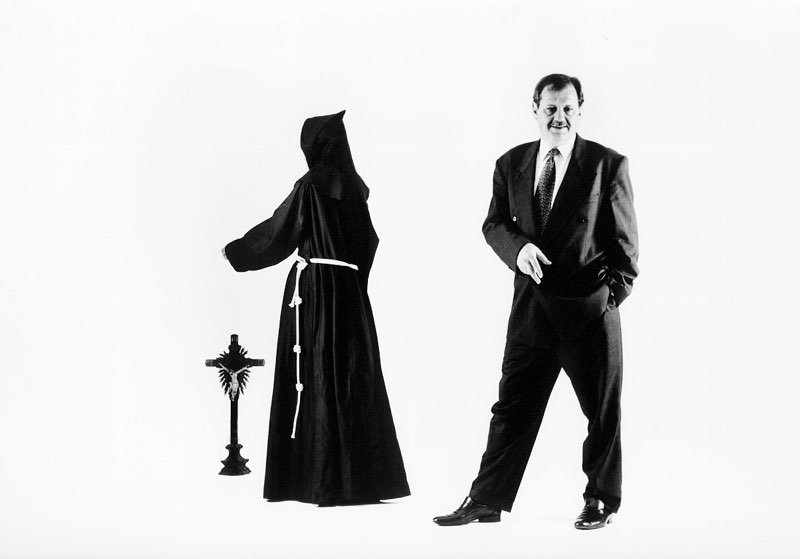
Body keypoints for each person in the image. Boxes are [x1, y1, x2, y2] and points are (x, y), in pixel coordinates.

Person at [433, 74, 638, 529]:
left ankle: (601, 500)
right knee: (511, 409)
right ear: (535, 109)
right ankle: (485, 500)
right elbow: (493, 225)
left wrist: (608, 298)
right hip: (531, 311)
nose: (559, 117)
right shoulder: (511, 163)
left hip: (589, 313)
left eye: (568, 108)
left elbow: (626, 246)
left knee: (602, 413)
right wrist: (518, 248)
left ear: (580, 109)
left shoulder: (607, 164)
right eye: (551, 109)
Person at [223, 111, 410, 506]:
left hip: (315, 290)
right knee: (352, 374)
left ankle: (315, 480)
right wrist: (354, 286)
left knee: (317, 371)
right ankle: (360, 482)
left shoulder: (310, 185)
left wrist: (237, 251)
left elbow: (280, 231)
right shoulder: (356, 190)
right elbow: (369, 243)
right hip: (350, 293)